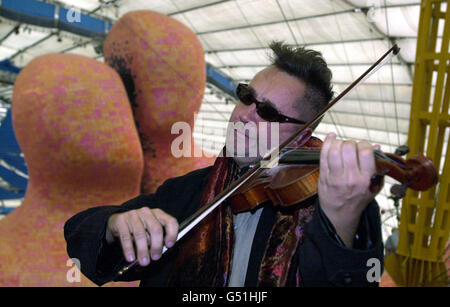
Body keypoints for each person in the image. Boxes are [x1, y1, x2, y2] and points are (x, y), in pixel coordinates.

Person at [64, 41, 384, 287]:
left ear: (303, 137)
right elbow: (80, 241)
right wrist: (112, 227)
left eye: (268, 113)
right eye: (246, 96)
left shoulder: (345, 204)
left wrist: (339, 223)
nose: (245, 114)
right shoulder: (189, 190)